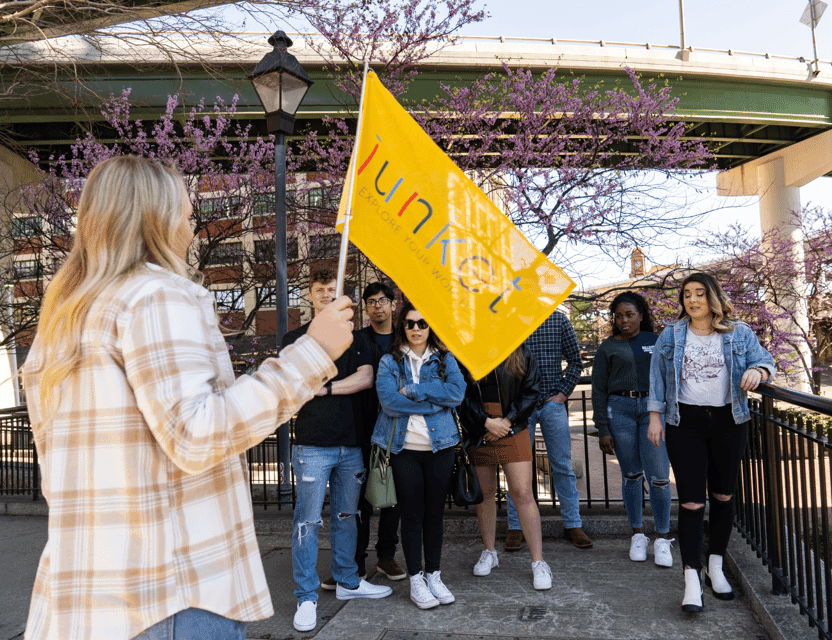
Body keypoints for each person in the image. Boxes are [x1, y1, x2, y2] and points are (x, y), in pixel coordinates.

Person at [20, 155, 356, 640]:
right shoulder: (155, 295)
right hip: (173, 592)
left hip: (86, 596)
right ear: (156, 218)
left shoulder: (64, 318)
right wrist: (312, 354)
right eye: (184, 210)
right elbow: (197, 435)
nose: (191, 224)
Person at [647, 272, 775, 613]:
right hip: (683, 423)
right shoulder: (671, 334)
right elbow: (656, 378)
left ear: (713, 297)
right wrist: (655, 415)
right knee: (691, 502)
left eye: (700, 293)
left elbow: (766, 361)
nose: (692, 300)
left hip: (728, 422)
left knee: (723, 495)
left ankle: (715, 566)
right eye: (687, 294)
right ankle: (692, 578)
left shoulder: (739, 332)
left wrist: (759, 372)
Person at [282, 268, 393, 633]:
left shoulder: (358, 338)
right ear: (311, 295)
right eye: (320, 289)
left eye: (332, 289)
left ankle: (348, 581)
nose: (327, 294)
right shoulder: (297, 338)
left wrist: (327, 388)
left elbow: (366, 378)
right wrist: (317, 385)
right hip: (313, 444)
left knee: (348, 516)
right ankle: (306, 597)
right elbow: (297, 383)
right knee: (307, 521)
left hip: (352, 443)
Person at [371, 301, 466, 610]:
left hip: (441, 448)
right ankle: (416, 580)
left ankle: (434, 575)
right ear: (403, 327)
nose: (415, 328)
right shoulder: (389, 362)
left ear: (430, 327)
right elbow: (388, 403)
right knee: (411, 515)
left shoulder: (444, 358)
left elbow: (457, 393)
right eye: (410, 323)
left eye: (422, 323)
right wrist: (434, 401)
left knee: (434, 514)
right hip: (404, 450)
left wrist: (413, 391)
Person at [321, 281, 405, 589]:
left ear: (393, 304)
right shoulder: (358, 339)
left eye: (383, 300)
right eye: (371, 302)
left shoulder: (404, 338)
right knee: (358, 501)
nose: (378, 306)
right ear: (366, 308)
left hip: (395, 430)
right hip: (362, 429)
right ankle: (352, 565)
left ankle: (386, 555)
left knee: (391, 496)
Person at [459, 345, 553, 590]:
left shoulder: (522, 352)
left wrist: (507, 423)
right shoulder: (467, 351)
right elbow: (461, 395)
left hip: (513, 425)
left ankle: (538, 561)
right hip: (481, 428)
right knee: (485, 494)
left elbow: (531, 393)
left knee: (522, 493)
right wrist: (485, 423)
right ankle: (489, 552)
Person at [592, 292, 674, 567]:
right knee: (631, 475)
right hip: (621, 411)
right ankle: (638, 534)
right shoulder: (607, 347)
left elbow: (669, 379)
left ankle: (663, 537)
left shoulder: (656, 341)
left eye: (629, 314)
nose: (624, 320)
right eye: (618, 315)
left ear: (641, 314)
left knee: (660, 476)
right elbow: (598, 390)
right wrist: (603, 428)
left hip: (653, 412)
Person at [504, 310, 592, 551]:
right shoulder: (510, 319)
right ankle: (516, 526)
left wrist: (562, 393)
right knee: (517, 466)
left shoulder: (558, 319)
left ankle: (573, 523)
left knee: (562, 464)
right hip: (520, 406)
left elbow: (576, 360)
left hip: (551, 403)